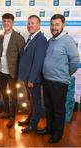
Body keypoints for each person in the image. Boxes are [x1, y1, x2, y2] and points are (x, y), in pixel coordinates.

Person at [37, 14, 80, 144]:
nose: (54, 27)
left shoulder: (68, 40)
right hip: (47, 80)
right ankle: (49, 128)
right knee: (48, 107)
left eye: (57, 24)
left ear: (63, 25)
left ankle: (57, 134)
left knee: (58, 109)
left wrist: (65, 74)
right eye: (52, 24)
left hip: (59, 82)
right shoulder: (50, 41)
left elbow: (75, 61)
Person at [17, 15, 48, 132]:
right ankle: (30, 119)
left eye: (33, 23)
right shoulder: (31, 38)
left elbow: (38, 62)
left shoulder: (40, 39)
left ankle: (34, 124)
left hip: (33, 79)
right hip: (27, 77)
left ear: (39, 25)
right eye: (29, 23)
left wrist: (31, 79)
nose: (30, 25)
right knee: (30, 100)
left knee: (36, 102)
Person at [0, 13, 25, 128]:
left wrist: (21, 73)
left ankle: (12, 116)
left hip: (13, 72)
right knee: (3, 92)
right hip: (1, 71)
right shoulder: (1, 36)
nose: (6, 23)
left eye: (8, 21)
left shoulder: (18, 37)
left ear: (12, 23)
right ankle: (6, 111)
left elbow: (22, 57)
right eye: (4, 21)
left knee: (13, 95)